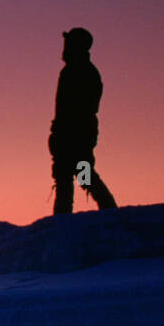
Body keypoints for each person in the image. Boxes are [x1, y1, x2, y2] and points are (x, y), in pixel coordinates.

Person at [49, 27, 118, 213]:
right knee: (67, 176)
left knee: (82, 173)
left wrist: (63, 134)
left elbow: (79, 109)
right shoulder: (74, 71)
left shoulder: (82, 72)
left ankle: (110, 212)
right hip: (71, 134)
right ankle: (63, 221)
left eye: (69, 43)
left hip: (77, 134)